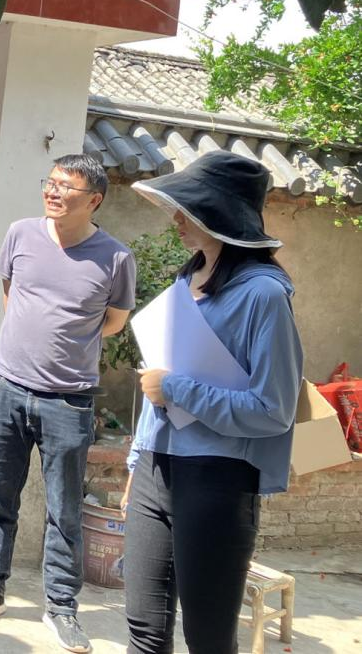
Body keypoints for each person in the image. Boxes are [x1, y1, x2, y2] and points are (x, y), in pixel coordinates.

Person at [121, 151, 303, 654]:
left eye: (188, 208)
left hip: (218, 479)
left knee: (207, 639)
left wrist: (177, 389)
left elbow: (274, 409)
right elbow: (158, 381)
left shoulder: (264, 296)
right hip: (155, 471)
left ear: (220, 213)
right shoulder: (186, 280)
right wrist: (137, 460)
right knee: (143, 630)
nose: (176, 219)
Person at [0, 154, 136, 654]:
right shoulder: (21, 234)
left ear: (93, 200)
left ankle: (61, 607)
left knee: (64, 510)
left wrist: (67, 341)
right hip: (6, 388)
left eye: (66, 187)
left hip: (69, 400)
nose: (53, 192)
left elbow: (114, 321)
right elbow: (12, 294)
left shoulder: (116, 258)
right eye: (50, 183)